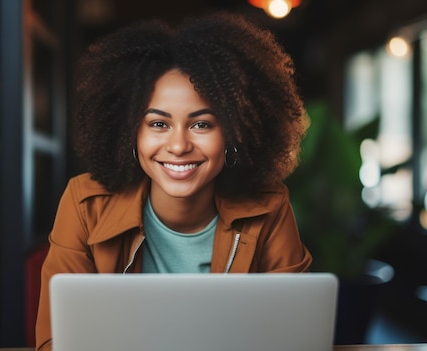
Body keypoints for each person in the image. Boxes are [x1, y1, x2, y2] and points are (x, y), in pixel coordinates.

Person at [35, 11, 312, 351]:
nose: (179, 146)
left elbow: (293, 339)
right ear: (129, 133)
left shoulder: (268, 208)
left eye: (202, 124)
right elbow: (54, 342)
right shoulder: (83, 203)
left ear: (234, 133)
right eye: (158, 124)